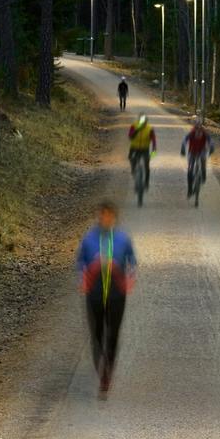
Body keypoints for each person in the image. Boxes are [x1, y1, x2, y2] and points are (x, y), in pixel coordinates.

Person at [75, 200, 136, 397]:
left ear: (114, 217)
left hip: (117, 294)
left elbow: (132, 262)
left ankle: (106, 373)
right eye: (102, 215)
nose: (105, 219)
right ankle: (99, 363)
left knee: (113, 334)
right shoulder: (88, 240)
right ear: (98, 217)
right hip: (94, 292)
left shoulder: (123, 240)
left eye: (109, 215)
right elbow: (80, 263)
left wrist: (128, 280)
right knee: (97, 334)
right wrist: (85, 276)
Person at [180, 116, 214, 199]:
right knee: (190, 170)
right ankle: (190, 189)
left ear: (201, 126)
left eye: (200, 126)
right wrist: (183, 148)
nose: (198, 128)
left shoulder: (204, 132)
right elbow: (185, 140)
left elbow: (210, 141)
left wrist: (211, 147)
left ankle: (203, 174)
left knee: (203, 162)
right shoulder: (192, 132)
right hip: (192, 152)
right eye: (197, 126)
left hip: (202, 151)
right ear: (195, 126)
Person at [127, 114, 156, 194]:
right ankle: (133, 169)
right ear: (139, 121)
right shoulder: (134, 126)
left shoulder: (150, 128)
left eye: (144, 122)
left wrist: (154, 150)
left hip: (145, 149)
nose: (143, 124)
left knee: (147, 166)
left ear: (146, 122)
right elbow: (130, 137)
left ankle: (146, 182)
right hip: (134, 147)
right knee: (130, 158)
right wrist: (137, 130)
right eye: (141, 122)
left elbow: (153, 140)